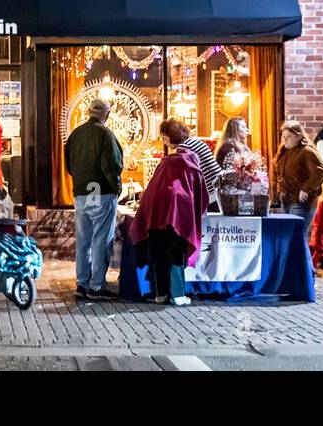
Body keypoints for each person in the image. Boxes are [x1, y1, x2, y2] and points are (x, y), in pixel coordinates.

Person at [127, 126, 209, 306]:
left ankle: (161, 294)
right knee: (177, 254)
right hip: (182, 215)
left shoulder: (166, 163)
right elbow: (201, 192)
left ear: (168, 138)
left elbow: (152, 190)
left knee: (160, 254)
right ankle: (178, 295)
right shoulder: (193, 163)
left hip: (158, 216)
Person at [64, 98, 123, 300]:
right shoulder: (105, 134)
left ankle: (82, 283)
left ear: (89, 112)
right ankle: (96, 286)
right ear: (106, 114)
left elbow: (69, 165)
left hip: (83, 191)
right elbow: (113, 166)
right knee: (100, 238)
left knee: (83, 239)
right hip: (101, 191)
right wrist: (116, 187)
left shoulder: (76, 134)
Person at [273, 121, 323, 242]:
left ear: (299, 136)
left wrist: (306, 188)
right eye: (283, 137)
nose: (285, 140)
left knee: (295, 237)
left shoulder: (306, 151)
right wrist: (280, 191)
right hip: (287, 200)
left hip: (302, 203)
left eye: (289, 137)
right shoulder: (284, 152)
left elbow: (320, 172)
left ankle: (300, 261)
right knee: (290, 237)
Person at [162, 119, 223, 208]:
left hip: (210, 194)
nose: (164, 142)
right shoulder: (195, 141)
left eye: (165, 138)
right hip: (218, 188)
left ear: (172, 135)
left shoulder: (184, 148)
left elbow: (184, 177)